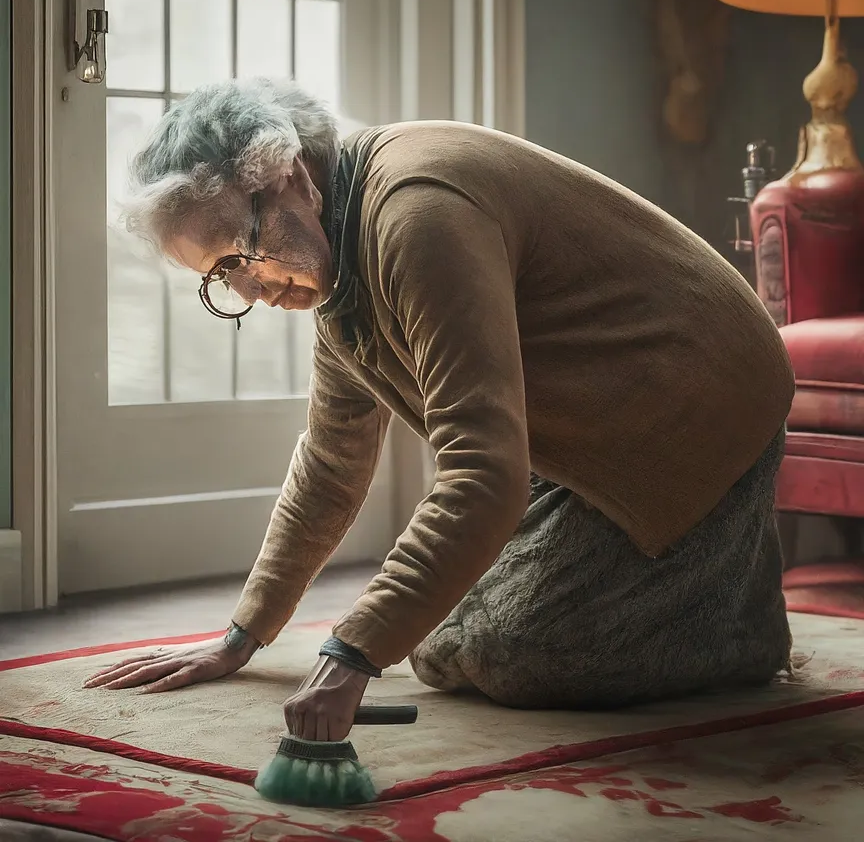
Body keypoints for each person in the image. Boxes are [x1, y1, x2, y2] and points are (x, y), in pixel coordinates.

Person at [85, 78, 795, 743]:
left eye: (239, 255)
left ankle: (738, 625)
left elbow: (483, 474)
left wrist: (351, 658)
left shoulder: (417, 216)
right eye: (218, 279)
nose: (249, 291)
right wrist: (242, 637)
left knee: (507, 655)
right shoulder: (334, 262)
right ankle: (707, 571)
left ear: (291, 176)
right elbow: (331, 468)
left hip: (694, 400)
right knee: (437, 642)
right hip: (584, 432)